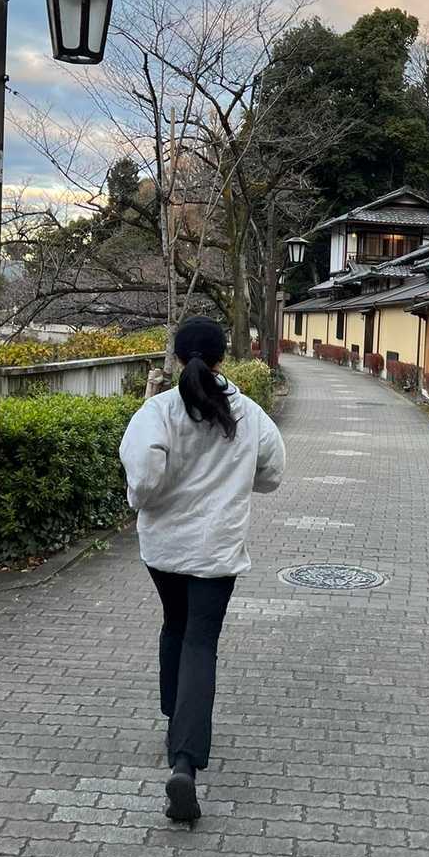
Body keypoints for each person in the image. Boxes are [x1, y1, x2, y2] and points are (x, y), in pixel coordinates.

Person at [120, 316, 285, 823]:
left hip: (165, 548)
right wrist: (235, 481)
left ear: (176, 358)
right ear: (222, 359)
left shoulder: (159, 410)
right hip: (217, 551)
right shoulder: (249, 412)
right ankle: (185, 761)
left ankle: (176, 721)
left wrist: (142, 501)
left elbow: (144, 477)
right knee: (200, 641)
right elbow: (272, 473)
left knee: (174, 624)